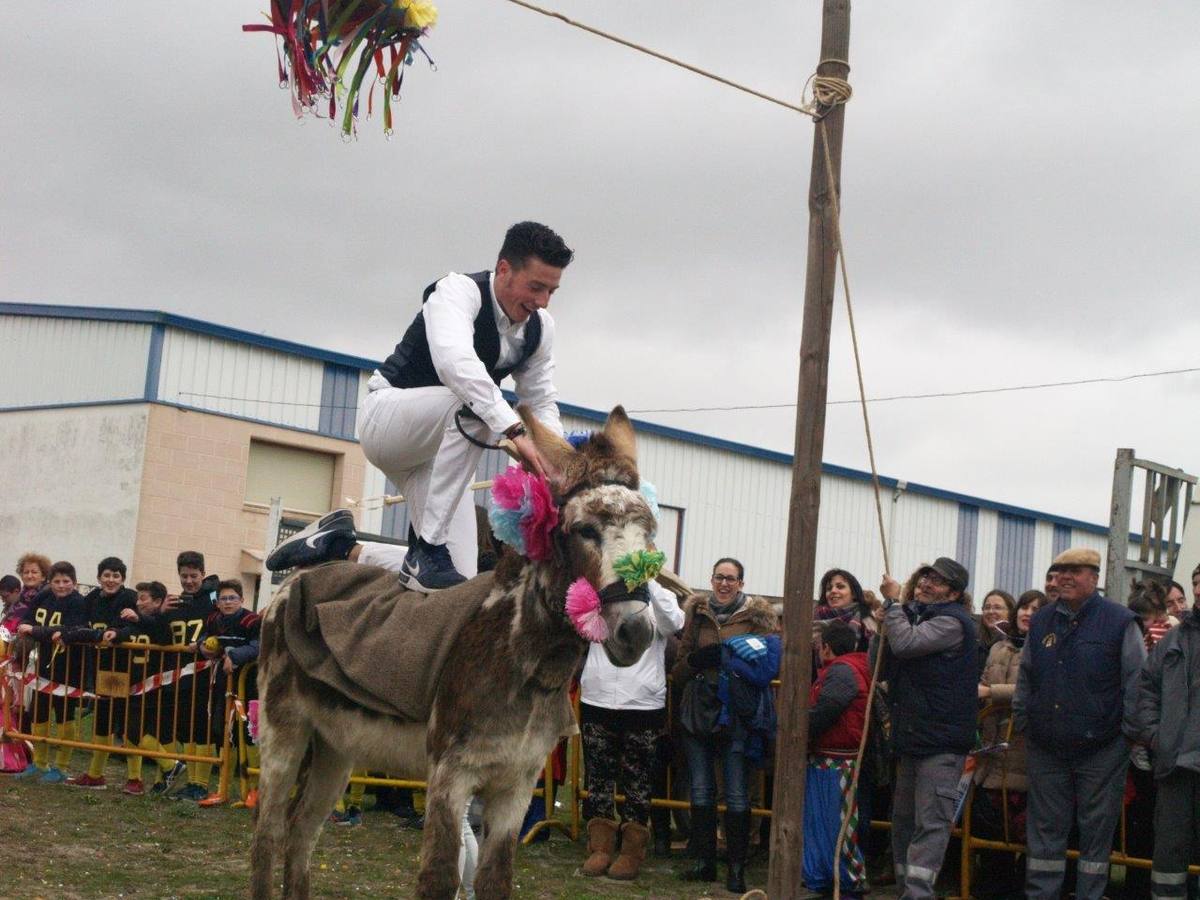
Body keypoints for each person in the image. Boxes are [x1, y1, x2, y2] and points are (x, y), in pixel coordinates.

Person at [264, 221, 574, 592]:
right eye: (536, 287)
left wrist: (556, 461)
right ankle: (427, 547)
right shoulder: (457, 291)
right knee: (472, 405)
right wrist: (516, 431)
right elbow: (455, 364)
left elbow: (540, 400)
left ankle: (341, 546)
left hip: (437, 455)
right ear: (504, 268)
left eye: (551, 291)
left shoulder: (541, 329)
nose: (542, 301)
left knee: (456, 583)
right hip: (387, 423)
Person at [1013, 547, 1145, 900]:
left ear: (1094, 577)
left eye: (1075, 571)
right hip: (1048, 746)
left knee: (1095, 834)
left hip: (1102, 749)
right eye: (1059, 572)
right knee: (1044, 833)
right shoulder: (1041, 621)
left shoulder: (1120, 621)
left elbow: (1136, 681)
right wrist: (1023, 719)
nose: (1064, 578)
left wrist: (1129, 735)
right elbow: (1027, 674)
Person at [673, 557, 779, 894]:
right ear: (712, 579)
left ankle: (736, 868)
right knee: (701, 788)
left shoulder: (759, 618)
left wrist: (730, 661)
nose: (724, 584)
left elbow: (767, 665)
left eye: (731, 579)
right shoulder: (697, 613)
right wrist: (696, 661)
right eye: (719, 577)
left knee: (736, 792)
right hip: (699, 709)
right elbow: (679, 666)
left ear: (742, 584)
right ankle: (704, 862)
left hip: (736, 713)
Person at [878, 556, 977, 900]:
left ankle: (918, 894)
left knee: (930, 823)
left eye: (935, 580)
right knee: (904, 820)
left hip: (942, 743)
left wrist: (892, 605)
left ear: (952, 593)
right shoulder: (917, 616)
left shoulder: (953, 623)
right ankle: (908, 890)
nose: (925, 584)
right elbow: (883, 662)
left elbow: (905, 645)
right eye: (924, 577)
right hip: (914, 738)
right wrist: (886, 621)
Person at [579, 580, 684, 881]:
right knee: (598, 776)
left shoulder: (658, 598)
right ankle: (599, 846)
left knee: (637, 781)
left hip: (642, 705)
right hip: (597, 699)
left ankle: (631, 850)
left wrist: (648, 581)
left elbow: (675, 622)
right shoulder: (601, 593)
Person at [972, 589, 1042, 898]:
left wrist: (992, 694)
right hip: (992, 754)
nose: (1027, 613)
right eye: (1024, 608)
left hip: (1025, 755)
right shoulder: (998, 647)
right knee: (990, 838)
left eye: (1036, 609)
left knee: (1025, 837)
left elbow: (1037, 690)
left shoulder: (1047, 648)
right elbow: (982, 683)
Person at [1137, 566, 1200, 900]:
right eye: (1196, 583)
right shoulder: (1173, 638)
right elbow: (1145, 690)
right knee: (1169, 859)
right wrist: (1156, 737)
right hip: (1175, 764)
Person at [803, 619, 872, 898]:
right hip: (828, 759)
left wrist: (798, 727)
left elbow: (827, 709)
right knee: (824, 825)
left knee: (837, 825)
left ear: (826, 647)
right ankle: (825, 880)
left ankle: (847, 882)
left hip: (838, 760)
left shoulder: (843, 671)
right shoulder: (852, 667)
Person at [59, 557, 138, 790]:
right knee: (102, 722)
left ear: (123, 579)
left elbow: (135, 626)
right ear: (98, 577)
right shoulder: (91, 598)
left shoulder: (130, 598)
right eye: (106, 575)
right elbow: (79, 626)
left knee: (127, 724)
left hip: (126, 668)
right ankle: (95, 774)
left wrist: (115, 632)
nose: (111, 580)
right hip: (100, 667)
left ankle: (137, 778)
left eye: (116, 575)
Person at [14, 560, 90, 782]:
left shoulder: (78, 602)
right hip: (43, 665)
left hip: (69, 668)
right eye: (57, 581)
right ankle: (40, 763)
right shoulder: (43, 597)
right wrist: (39, 630)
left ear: (74, 583)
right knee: (39, 714)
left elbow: (71, 629)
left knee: (65, 716)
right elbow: (26, 620)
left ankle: (63, 767)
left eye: (66, 581)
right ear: (49, 581)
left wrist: (37, 630)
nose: (61, 585)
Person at [193, 579, 260, 807]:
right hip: (225, 685)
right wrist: (203, 646)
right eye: (224, 598)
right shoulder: (214, 618)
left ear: (242, 600)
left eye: (232, 598)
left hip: (251, 687)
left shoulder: (252, 620)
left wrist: (236, 656)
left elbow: (259, 646)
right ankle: (222, 789)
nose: (228, 602)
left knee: (251, 736)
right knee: (225, 734)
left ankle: (255, 791)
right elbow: (204, 637)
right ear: (218, 602)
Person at [159, 550, 219, 802]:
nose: (189, 581)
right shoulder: (175, 604)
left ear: (203, 574)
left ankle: (200, 784)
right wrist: (161, 613)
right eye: (184, 576)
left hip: (206, 677)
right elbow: (162, 638)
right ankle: (191, 781)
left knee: (201, 729)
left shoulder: (213, 603)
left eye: (194, 576)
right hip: (179, 676)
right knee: (186, 729)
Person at [124, 581, 182, 796]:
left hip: (153, 685)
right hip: (134, 683)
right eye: (137, 598)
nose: (138, 603)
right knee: (133, 732)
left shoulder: (161, 621)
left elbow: (162, 634)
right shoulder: (137, 622)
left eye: (143, 599)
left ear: (158, 602)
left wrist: (140, 618)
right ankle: (141, 776)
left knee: (135, 732)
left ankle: (169, 765)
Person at [816, 568, 878, 652]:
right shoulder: (814, 618)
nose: (833, 591)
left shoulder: (867, 620)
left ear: (853, 594)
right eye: (829, 588)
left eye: (840, 587)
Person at [976, 590, 1015, 674]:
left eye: (997, 607)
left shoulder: (1015, 644)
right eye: (987, 607)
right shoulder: (975, 641)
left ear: (1011, 612)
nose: (991, 611)